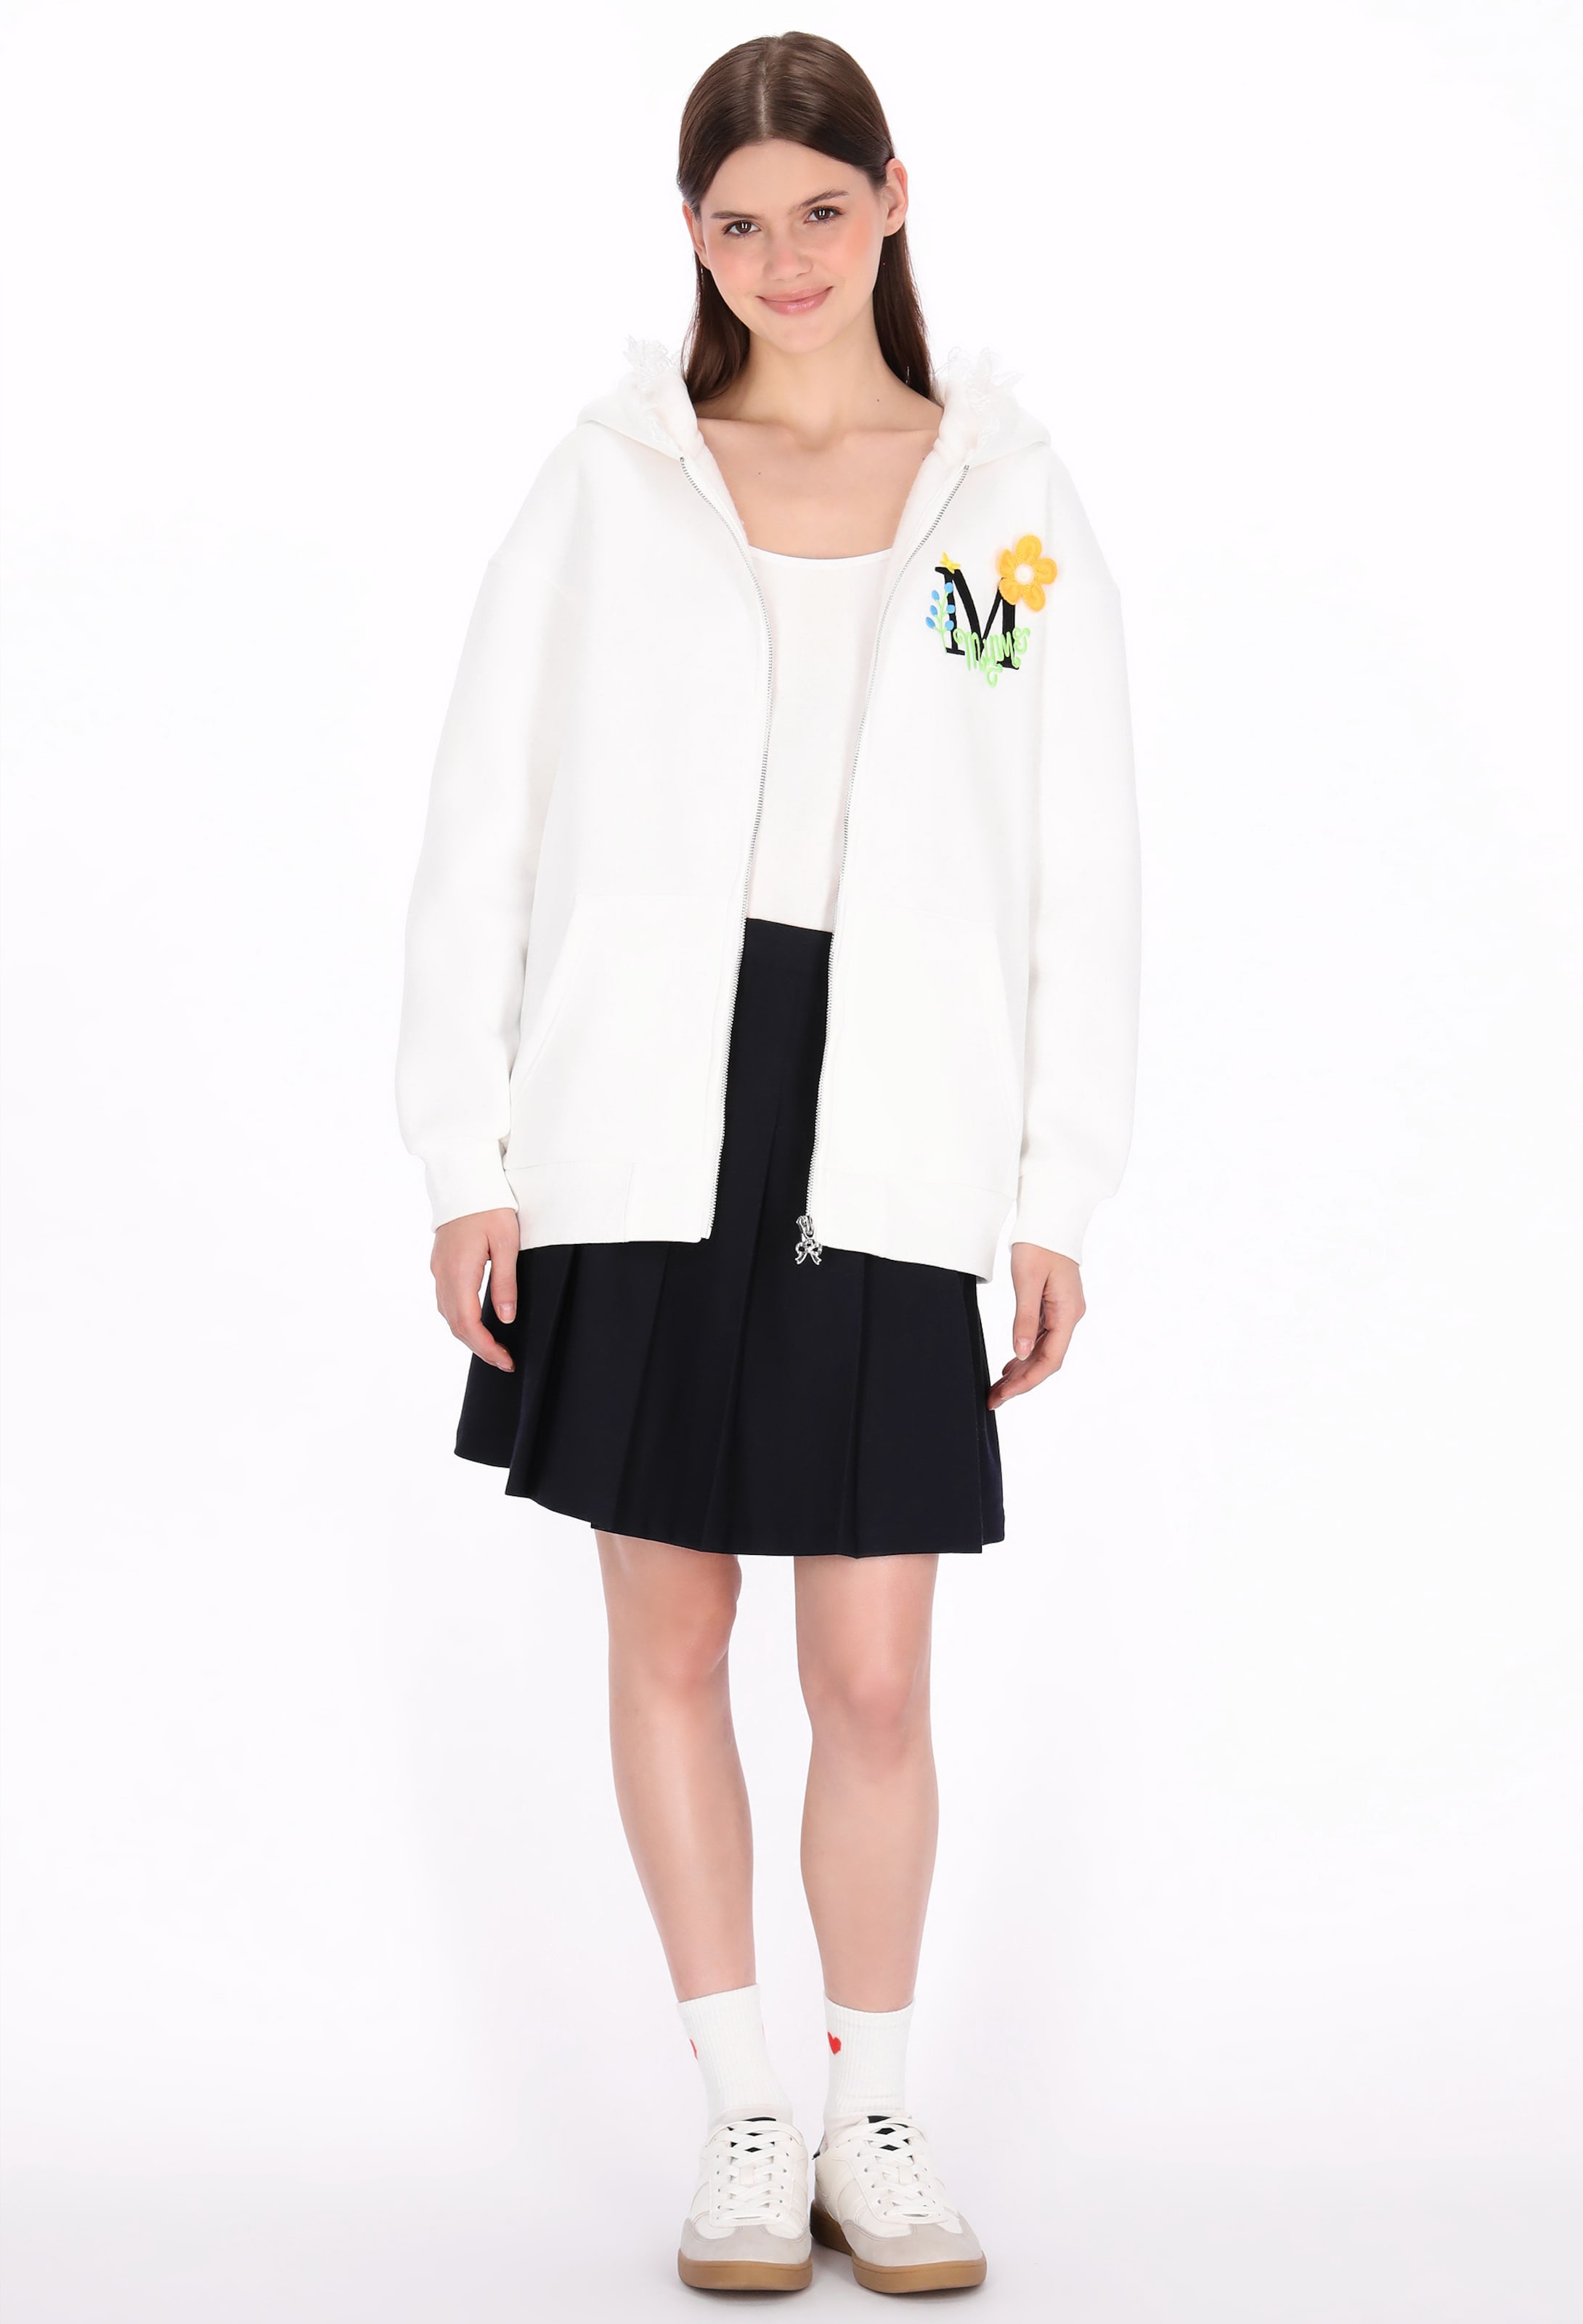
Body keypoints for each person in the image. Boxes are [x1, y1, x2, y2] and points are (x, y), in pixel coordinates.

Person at [396, 30, 1139, 2299]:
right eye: (738, 222)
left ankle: (869, 2108)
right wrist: (464, 1151)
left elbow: (1076, 860)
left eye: (821, 210)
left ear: (894, 199)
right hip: (637, 1107)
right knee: (671, 1626)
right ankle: (743, 2110)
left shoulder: (1000, 504)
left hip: (891, 1110)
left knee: (874, 1676)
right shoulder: (612, 486)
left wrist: (1054, 1189)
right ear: (689, 236)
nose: (783, 259)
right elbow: (484, 821)